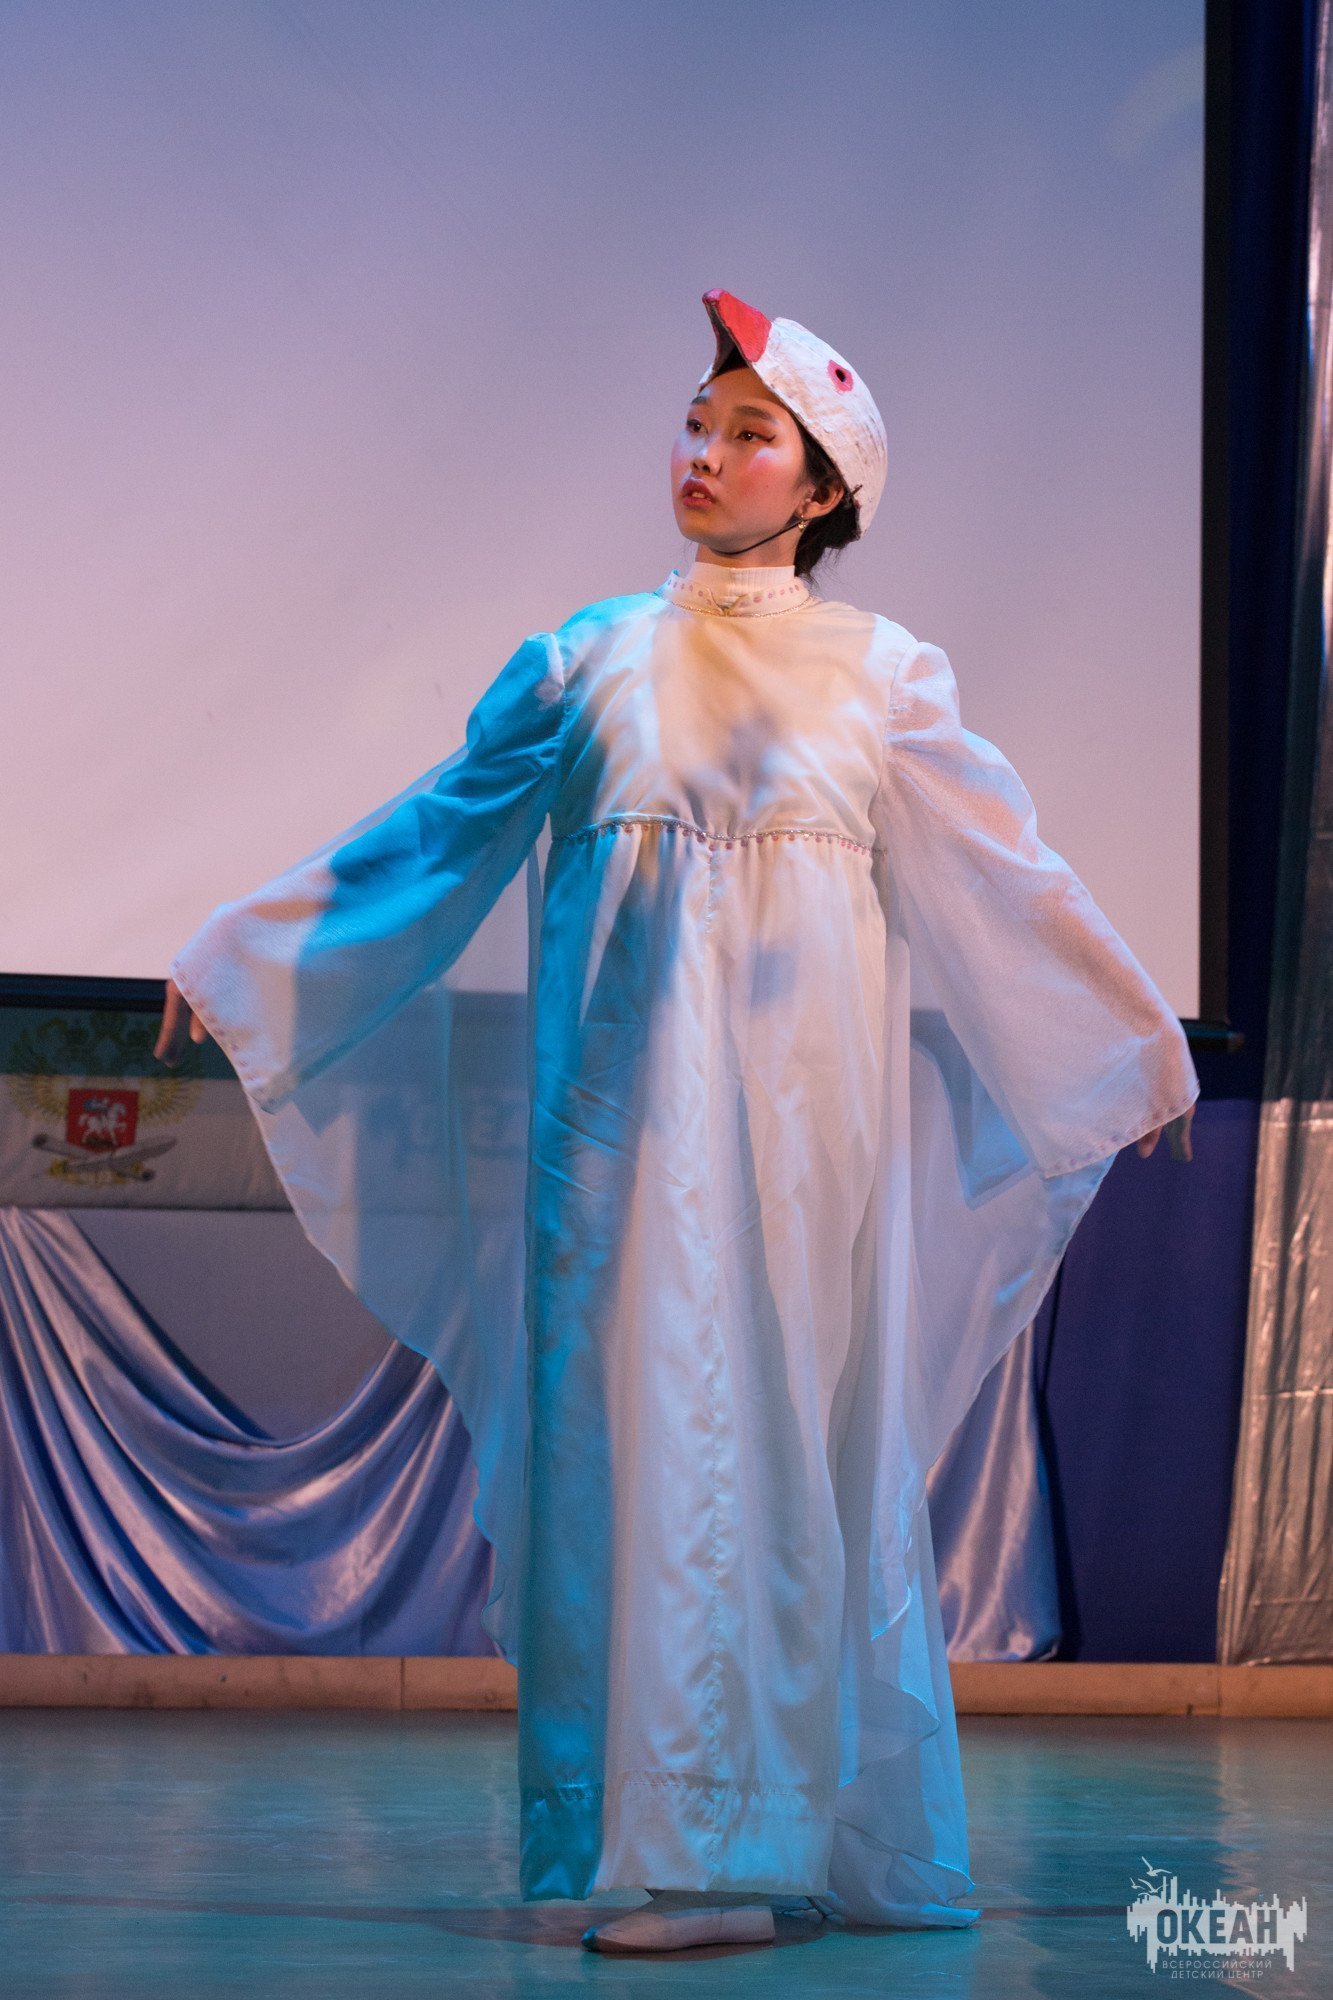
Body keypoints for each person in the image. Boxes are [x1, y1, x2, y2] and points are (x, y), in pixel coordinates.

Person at [155, 287, 1198, 1957]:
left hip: (796, 1149)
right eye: (696, 424)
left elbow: (1007, 873)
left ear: (823, 487)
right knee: (638, 1458)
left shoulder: (879, 677)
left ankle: (775, 1846)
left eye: (748, 434)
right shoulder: (589, 658)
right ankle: (692, 1843)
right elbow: (430, 834)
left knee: (783, 1447)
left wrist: (1127, 1039)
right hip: (618, 1147)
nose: (703, 453)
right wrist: (245, 958)